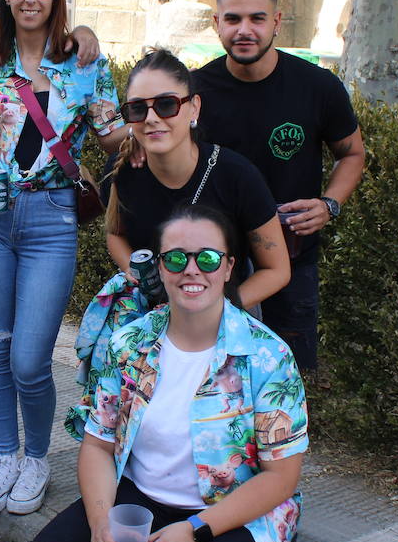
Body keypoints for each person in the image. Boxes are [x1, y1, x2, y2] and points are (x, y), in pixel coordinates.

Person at [25, 205, 307, 542]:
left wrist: (192, 533)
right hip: (142, 500)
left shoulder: (268, 356)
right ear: (159, 267)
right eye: (176, 258)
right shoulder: (129, 343)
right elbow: (97, 445)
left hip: (229, 508)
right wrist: (100, 522)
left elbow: (282, 478)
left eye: (207, 258)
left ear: (229, 267)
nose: (191, 269)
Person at [0, 0, 128, 517]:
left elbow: (111, 134)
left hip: (50, 221)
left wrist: (161, 122)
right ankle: (6, 457)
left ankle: (37, 458)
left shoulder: (83, 63)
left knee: (30, 358)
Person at [71, 50, 290, 429]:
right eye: (137, 109)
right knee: (139, 425)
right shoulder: (124, 172)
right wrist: (136, 274)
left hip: (225, 320)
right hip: (149, 319)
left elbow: (277, 269)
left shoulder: (236, 176)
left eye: (167, 104)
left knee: (214, 431)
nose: (152, 118)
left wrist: (215, 308)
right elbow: (116, 235)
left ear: (194, 108)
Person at [191, 0, 365, 377]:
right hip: (213, 259)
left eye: (257, 18)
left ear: (277, 22)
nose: (244, 30)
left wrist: (329, 204)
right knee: (211, 377)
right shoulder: (193, 91)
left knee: (288, 378)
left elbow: (352, 154)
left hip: (292, 255)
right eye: (233, 19)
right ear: (217, 23)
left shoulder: (317, 87)